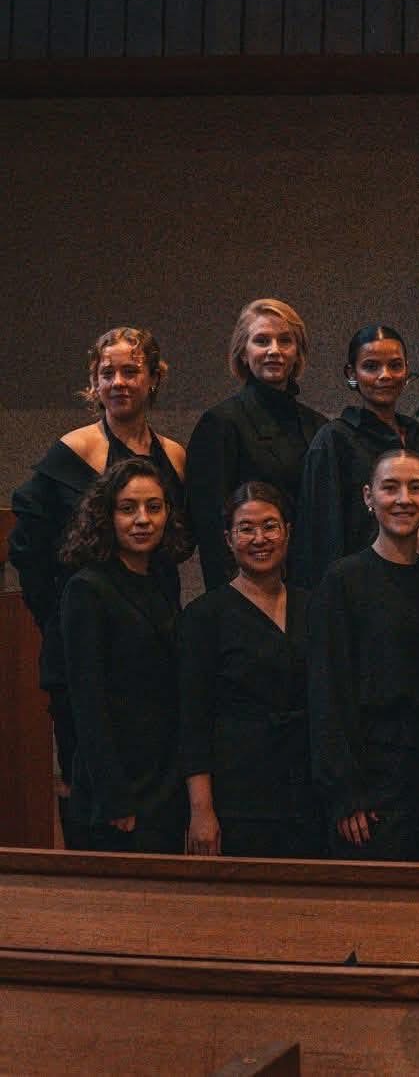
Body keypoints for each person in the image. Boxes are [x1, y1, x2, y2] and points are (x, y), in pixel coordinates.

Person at [9, 326, 187, 845]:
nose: (119, 382)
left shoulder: (173, 455)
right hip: (86, 637)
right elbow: (27, 546)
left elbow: (178, 541)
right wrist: (60, 619)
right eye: (107, 372)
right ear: (93, 382)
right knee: (97, 788)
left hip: (152, 631)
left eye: (131, 371)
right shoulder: (72, 448)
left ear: (154, 379)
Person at [308, 446, 419, 861]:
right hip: (368, 782)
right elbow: (327, 692)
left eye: (415, 488)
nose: (403, 499)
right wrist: (345, 792)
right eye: (390, 488)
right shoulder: (342, 581)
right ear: (368, 498)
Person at [177, 481, 322, 858]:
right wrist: (201, 810)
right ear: (228, 539)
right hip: (239, 792)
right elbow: (193, 720)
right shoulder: (204, 616)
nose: (260, 539)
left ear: (288, 531)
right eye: (246, 528)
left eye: (270, 526)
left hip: (308, 790)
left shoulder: (315, 607)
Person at [56, 461, 192, 853]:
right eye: (128, 508)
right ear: (106, 516)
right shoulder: (87, 588)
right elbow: (86, 701)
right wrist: (114, 795)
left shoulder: (163, 578)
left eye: (154, 506)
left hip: (163, 778)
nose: (142, 520)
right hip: (115, 789)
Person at [187, 298, 328, 589]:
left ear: (297, 352)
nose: (274, 351)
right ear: (242, 353)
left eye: (285, 341)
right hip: (247, 591)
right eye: (262, 341)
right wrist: (231, 599)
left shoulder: (320, 427)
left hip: (309, 589)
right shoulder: (220, 423)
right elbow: (213, 528)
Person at [291, 323, 419, 587]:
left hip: (417, 580)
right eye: (371, 366)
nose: (384, 375)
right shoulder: (334, 440)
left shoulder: (418, 437)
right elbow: (320, 536)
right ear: (351, 373)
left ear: (407, 370)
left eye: (395, 365)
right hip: (357, 586)